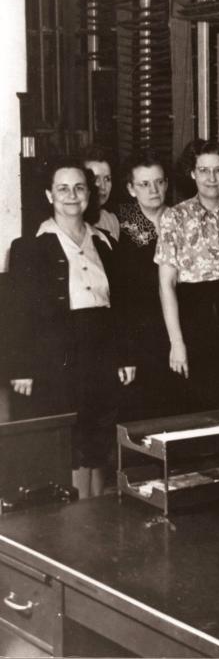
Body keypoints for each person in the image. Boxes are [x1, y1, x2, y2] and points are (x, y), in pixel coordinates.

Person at [8, 157, 136, 498]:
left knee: (99, 440)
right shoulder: (29, 247)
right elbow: (17, 313)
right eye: (62, 188)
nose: (71, 195)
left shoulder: (106, 242)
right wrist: (21, 368)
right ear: (49, 195)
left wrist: (125, 357)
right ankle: (74, 526)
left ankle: (95, 518)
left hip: (101, 353)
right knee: (72, 443)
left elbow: (120, 307)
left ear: (89, 195)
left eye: (79, 188)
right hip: (57, 357)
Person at [155, 140, 219, 413]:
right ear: (192, 173)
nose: (211, 179)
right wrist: (176, 342)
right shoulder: (174, 217)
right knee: (198, 405)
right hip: (194, 317)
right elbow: (166, 284)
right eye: (204, 170)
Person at [114, 155, 185, 421]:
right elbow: (120, 298)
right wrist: (125, 352)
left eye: (158, 182)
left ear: (167, 184)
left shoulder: (182, 219)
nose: (153, 190)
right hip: (140, 335)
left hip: (180, 327)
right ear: (131, 189)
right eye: (144, 184)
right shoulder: (121, 227)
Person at [83, 148, 120, 241]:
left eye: (107, 179)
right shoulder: (73, 221)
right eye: (96, 179)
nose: (103, 186)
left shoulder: (111, 220)